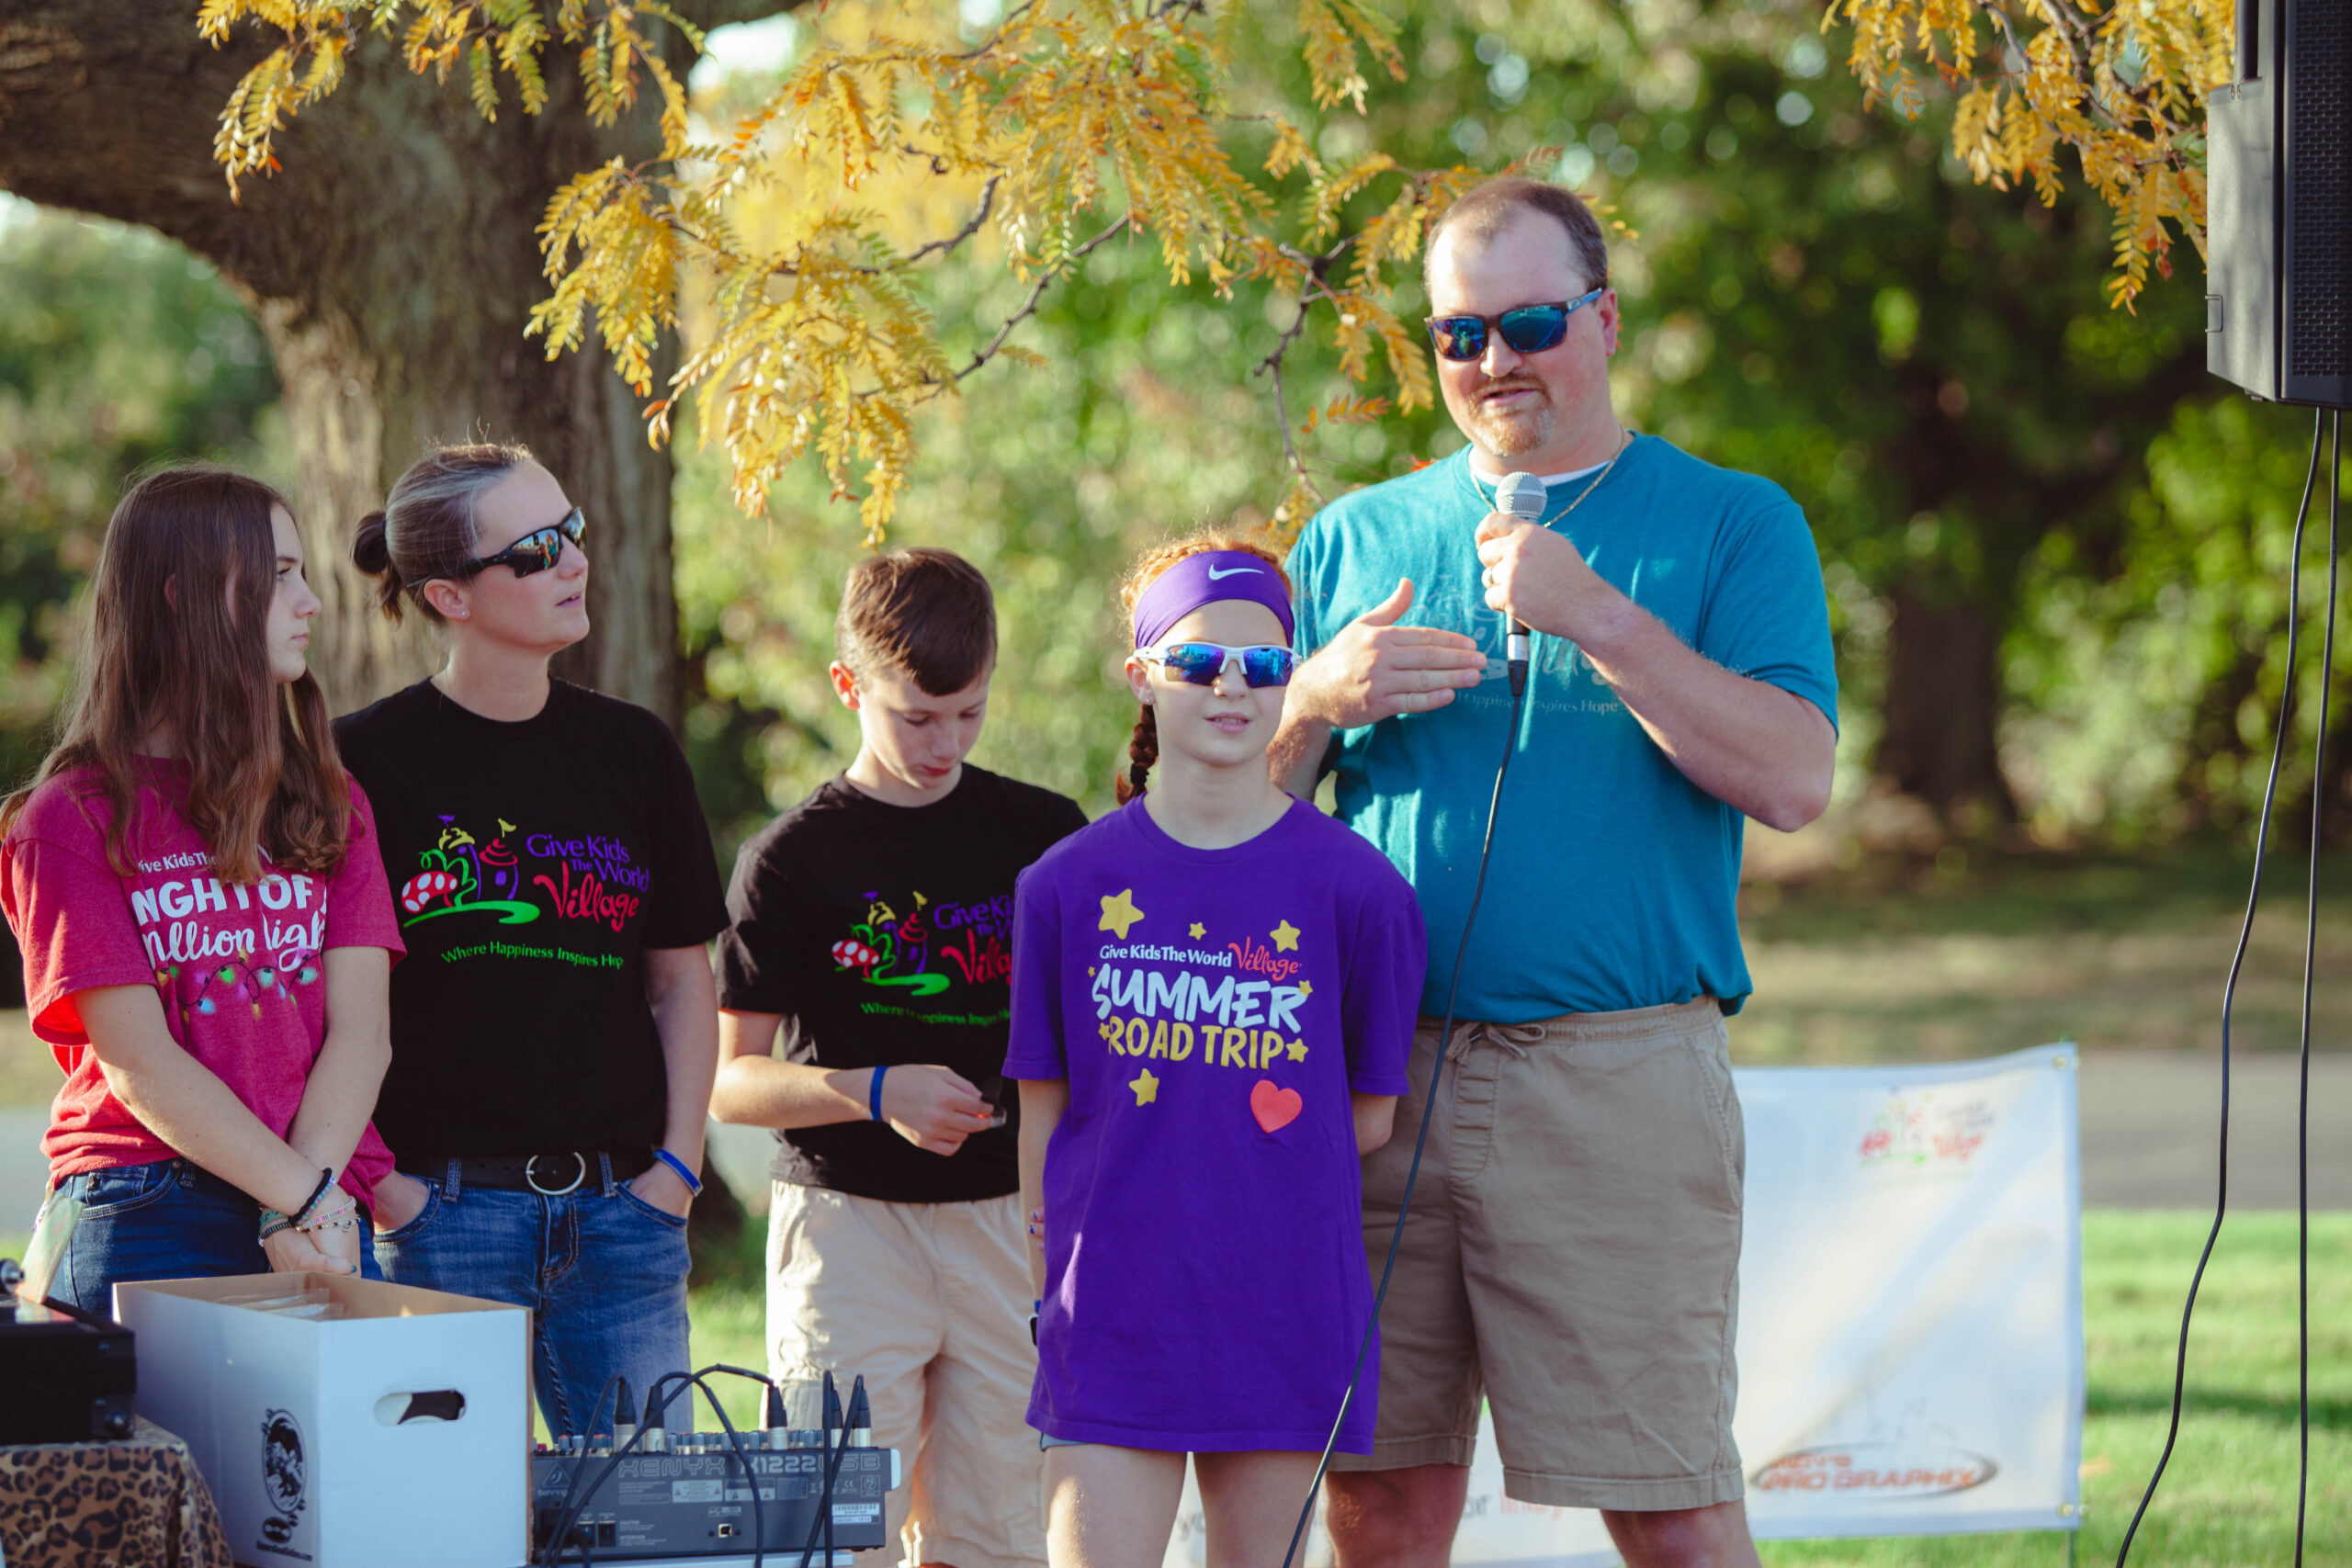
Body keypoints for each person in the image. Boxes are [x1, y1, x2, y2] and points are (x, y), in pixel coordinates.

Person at [1269, 175, 1839, 1568]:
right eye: (1458, 334)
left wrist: (1592, 611)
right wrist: (1309, 706)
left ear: (1606, 317)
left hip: (1615, 1077)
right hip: (1374, 1084)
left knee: (1671, 1504)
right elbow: (1219, 823)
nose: (1495, 360)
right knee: (1379, 1500)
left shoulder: (1731, 522)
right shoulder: (1352, 538)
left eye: (1530, 320)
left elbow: (1794, 778)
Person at [1006, 534, 1425, 1568]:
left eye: (1265, 664)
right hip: (1111, 1311)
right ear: (1142, 676)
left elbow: (1365, 1115)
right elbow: (1045, 1110)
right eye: (1197, 663)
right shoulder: (1061, 886)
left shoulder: (1362, 894)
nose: (1231, 688)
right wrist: (1042, 1282)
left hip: (1281, 1311)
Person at [335, 443, 728, 1437]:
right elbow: (327, 1006)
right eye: (536, 548)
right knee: (449, 1528)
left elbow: (683, 980)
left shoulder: (635, 751)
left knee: (652, 1537)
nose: (573, 561)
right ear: (448, 596)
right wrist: (388, 1191)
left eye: (575, 531)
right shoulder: (359, 763)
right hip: (445, 1221)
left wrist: (676, 1170)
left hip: (624, 1219)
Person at [711, 547, 1086, 1568]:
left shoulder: (1045, 835)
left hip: (1007, 1225)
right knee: (836, 1531)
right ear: (848, 687)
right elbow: (731, 1082)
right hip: (847, 1233)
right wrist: (875, 1091)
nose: (944, 742)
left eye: (968, 713)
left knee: (1001, 1528)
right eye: (915, 716)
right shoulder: (788, 859)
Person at [1, 468, 401, 1315]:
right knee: (143, 1458)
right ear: (187, 600)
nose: (312, 602)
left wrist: (312, 1196)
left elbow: (362, 1035)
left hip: (311, 1193)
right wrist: (300, 1195)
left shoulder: (329, 800)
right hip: (144, 1201)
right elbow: (138, 1060)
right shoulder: (69, 816)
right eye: (280, 574)